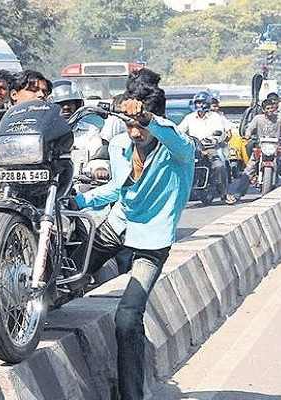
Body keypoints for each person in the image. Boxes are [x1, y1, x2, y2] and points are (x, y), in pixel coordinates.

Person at [71, 68, 194, 400]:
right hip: (116, 226)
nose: (135, 131)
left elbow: (174, 138)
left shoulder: (177, 150)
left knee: (127, 318)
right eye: (130, 124)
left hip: (152, 242)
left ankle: (131, 396)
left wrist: (148, 117)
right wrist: (79, 200)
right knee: (65, 272)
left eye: (141, 124)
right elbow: (120, 188)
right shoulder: (121, 145)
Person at [226, 98, 281, 203]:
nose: (270, 111)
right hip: (261, 147)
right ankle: (237, 194)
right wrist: (247, 134)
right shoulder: (258, 119)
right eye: (268, 108)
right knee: (248, 170)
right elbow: (250, 128)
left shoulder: (280, 118)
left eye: (272, 108)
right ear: (263, 110)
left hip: (276, 147)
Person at [49, 79, 110, 181]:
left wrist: (100, 168)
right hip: (46, 187)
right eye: (60, 103)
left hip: (79, 187)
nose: (66, 107)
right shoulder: (44, 134)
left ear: (78, 105)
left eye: (70, 103)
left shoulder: (90, 131)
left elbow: (97, 155)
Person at [177, 91, 230, 202]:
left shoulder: (214, 117)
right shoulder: (189, 118)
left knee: (219, 166)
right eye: (198, 103)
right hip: (193, 148)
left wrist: (215, 139)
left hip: (209, 148)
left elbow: (220, 130)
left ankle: (224, 193)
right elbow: (180, 130)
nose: (200, 105)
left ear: (207, 103)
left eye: (202, 103)